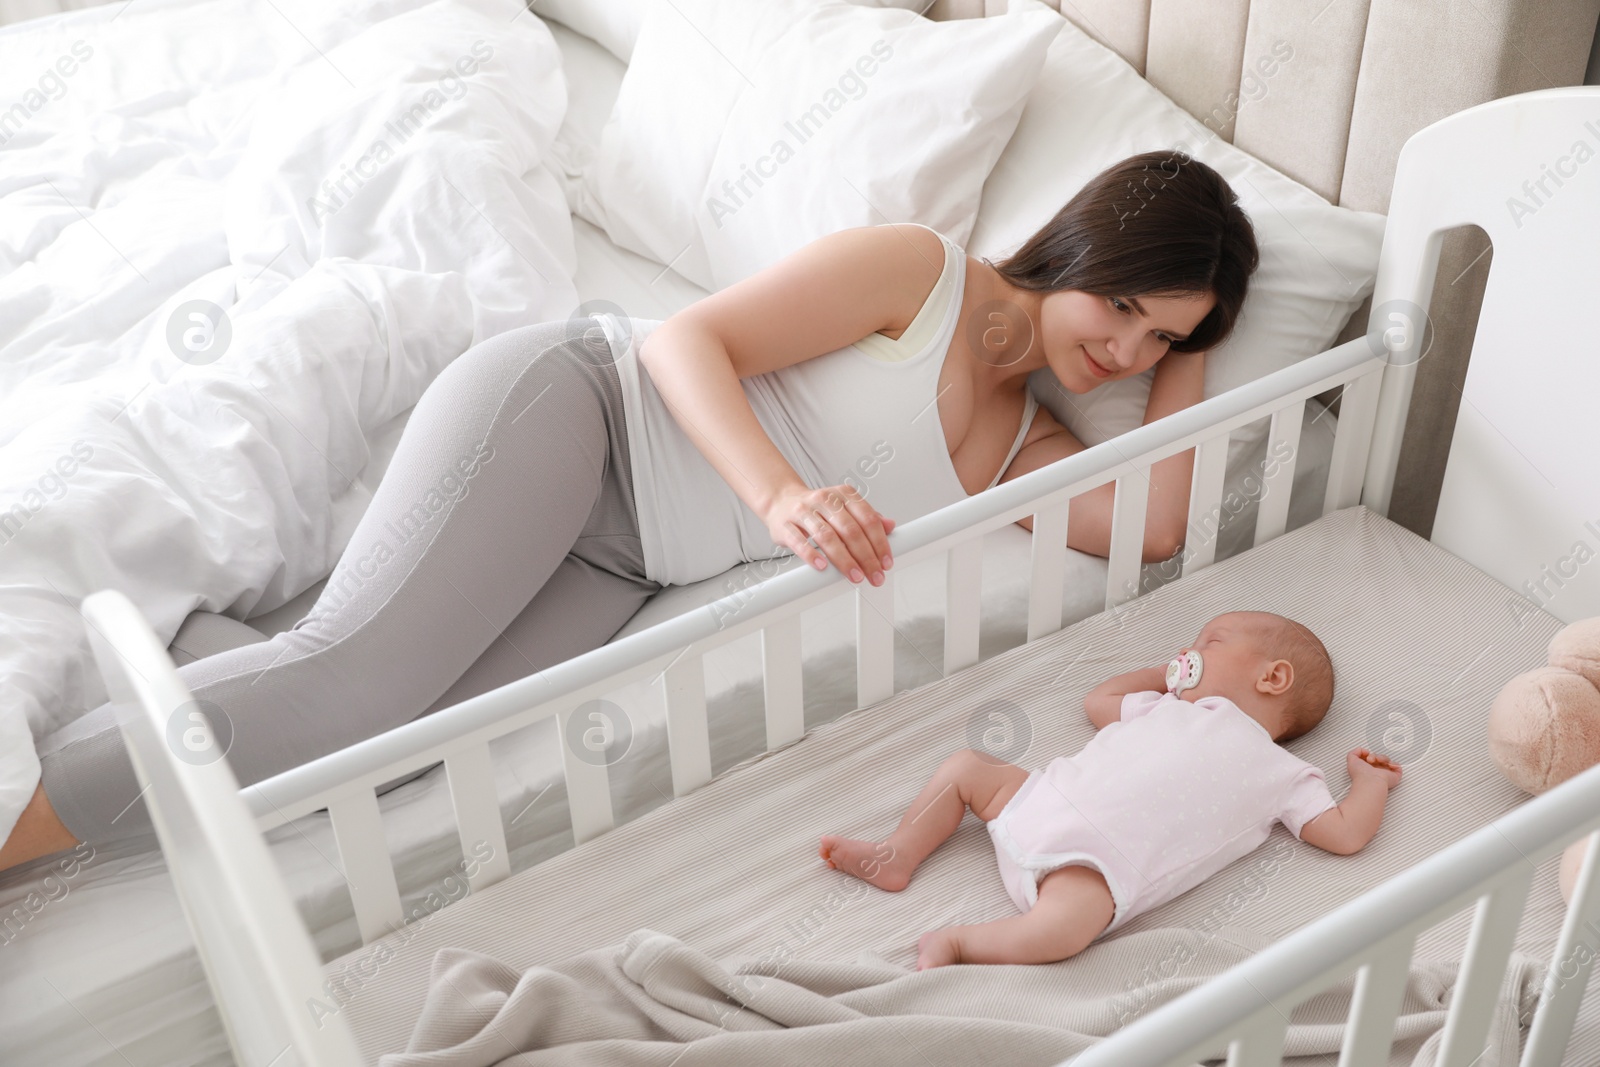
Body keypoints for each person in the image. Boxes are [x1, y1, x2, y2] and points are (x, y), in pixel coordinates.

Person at [1, 150, 1259, 871]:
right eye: (1128, 309)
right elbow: (688, 342)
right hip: (581, 415)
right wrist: (781, 493)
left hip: (620, 556)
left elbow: (1153, 523)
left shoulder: (1023, 445)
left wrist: (1205, 337)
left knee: (388, 764)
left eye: (1161, 342)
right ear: (1087, 250)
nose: (1127, 350)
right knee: (353, 689)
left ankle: (180, 678)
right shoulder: (921, 273)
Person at [818, 611, 1404, 970]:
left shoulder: (1284, 773)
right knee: (969, 766)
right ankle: (896, 855)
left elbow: (1345, 833)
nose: (1188, 652)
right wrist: (1166, 674)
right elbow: (1097, 702)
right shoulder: (1160, 707)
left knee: (1067, 929)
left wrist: (1370, 783)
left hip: (1092, 864)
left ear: (1272, 677)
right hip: (1039, 799)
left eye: (1209, 642)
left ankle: (963, 943)